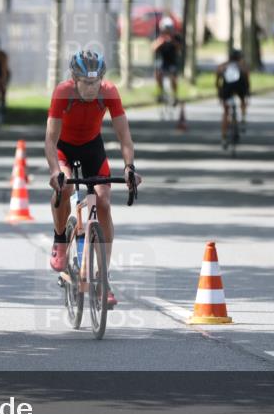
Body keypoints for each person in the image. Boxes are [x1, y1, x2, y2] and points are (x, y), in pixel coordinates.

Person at [45, 51, 140, 308]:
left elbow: (125, 137)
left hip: (92, 148)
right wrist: (55, 171)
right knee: (63, 189)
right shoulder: (63, 92)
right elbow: (50, 141)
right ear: (74, 79)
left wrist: (129, 166)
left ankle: (102, 279)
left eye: (96, 82)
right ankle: (60, 239)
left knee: (104, 202)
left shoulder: (109, 92)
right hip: (64, 148)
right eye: (86, 83)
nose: (91, 87)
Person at [215, 48, 250, 148]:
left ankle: (224, 137)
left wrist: (219, 92)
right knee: (243, 99)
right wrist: (248, 93)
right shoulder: (242, 66)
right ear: (239, 58)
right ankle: (243, 118)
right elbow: (247, 81)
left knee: (226, 112)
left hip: (227, 89)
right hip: (240, 87)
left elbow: (218, 80)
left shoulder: (223, 66)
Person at [151, 17, 182, 105]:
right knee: (158, 73)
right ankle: (160, 92)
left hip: (172, 61)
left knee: (173, 77)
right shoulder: (159, 36)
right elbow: (153, 48)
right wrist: (162, 41)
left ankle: (175, 96)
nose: (167, 31)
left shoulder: (176, 36)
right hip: (162, 61)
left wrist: (172, 41)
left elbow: (179, 49)